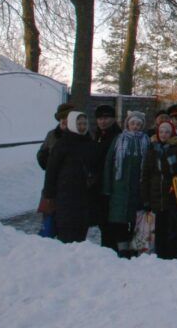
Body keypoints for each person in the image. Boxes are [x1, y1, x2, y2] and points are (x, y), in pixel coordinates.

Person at [43, 110, 102, 243]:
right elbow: (52, 170)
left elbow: (96, 166)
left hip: (85, 195)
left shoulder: (90, 143)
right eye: (79, 124)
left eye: (84, 124)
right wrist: (49, 194)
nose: (82, 127)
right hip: (66, 196)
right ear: (72, 124)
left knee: (81, 231)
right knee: (66, 232)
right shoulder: (62, 144)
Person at [104, 111, 150, 256]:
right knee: (119, 220)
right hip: (119, 188)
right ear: (127, 124)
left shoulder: (146, 141)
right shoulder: (119, 139)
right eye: (133, 123)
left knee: (136, 219)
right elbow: (109, 162)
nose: (135, 127)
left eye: (139, 124)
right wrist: (107, 187)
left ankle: (134, 247)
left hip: (137, 187)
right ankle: (122, 248)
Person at [140, 120, 177, 259]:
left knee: (171, 228)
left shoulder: (176, 149)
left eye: (167, 132)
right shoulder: (152, 150)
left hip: (171, 194)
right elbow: (146, 174)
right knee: (158, 229)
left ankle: (172, 256)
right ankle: (160, 255)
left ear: (172, 134)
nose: (164, 134)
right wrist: (146, 198)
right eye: (161, 132)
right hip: (155, 195)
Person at [36, 102, 74, 237]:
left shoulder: (78, 136)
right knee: (49, 221)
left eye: (67, 118)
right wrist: (48, 161)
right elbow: (41, 155)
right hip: (53, 183)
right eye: (62, 118)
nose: (64, 121)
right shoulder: (52, 135)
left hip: (70, 186)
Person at [91, 104, 121, 249]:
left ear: (113, 119)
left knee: (110, 224)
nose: (103, 121)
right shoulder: (96, 135)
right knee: (103, 222)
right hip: (99, 186)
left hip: (112, 186)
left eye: (106, 118)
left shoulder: (118, 137)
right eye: (100, 118)